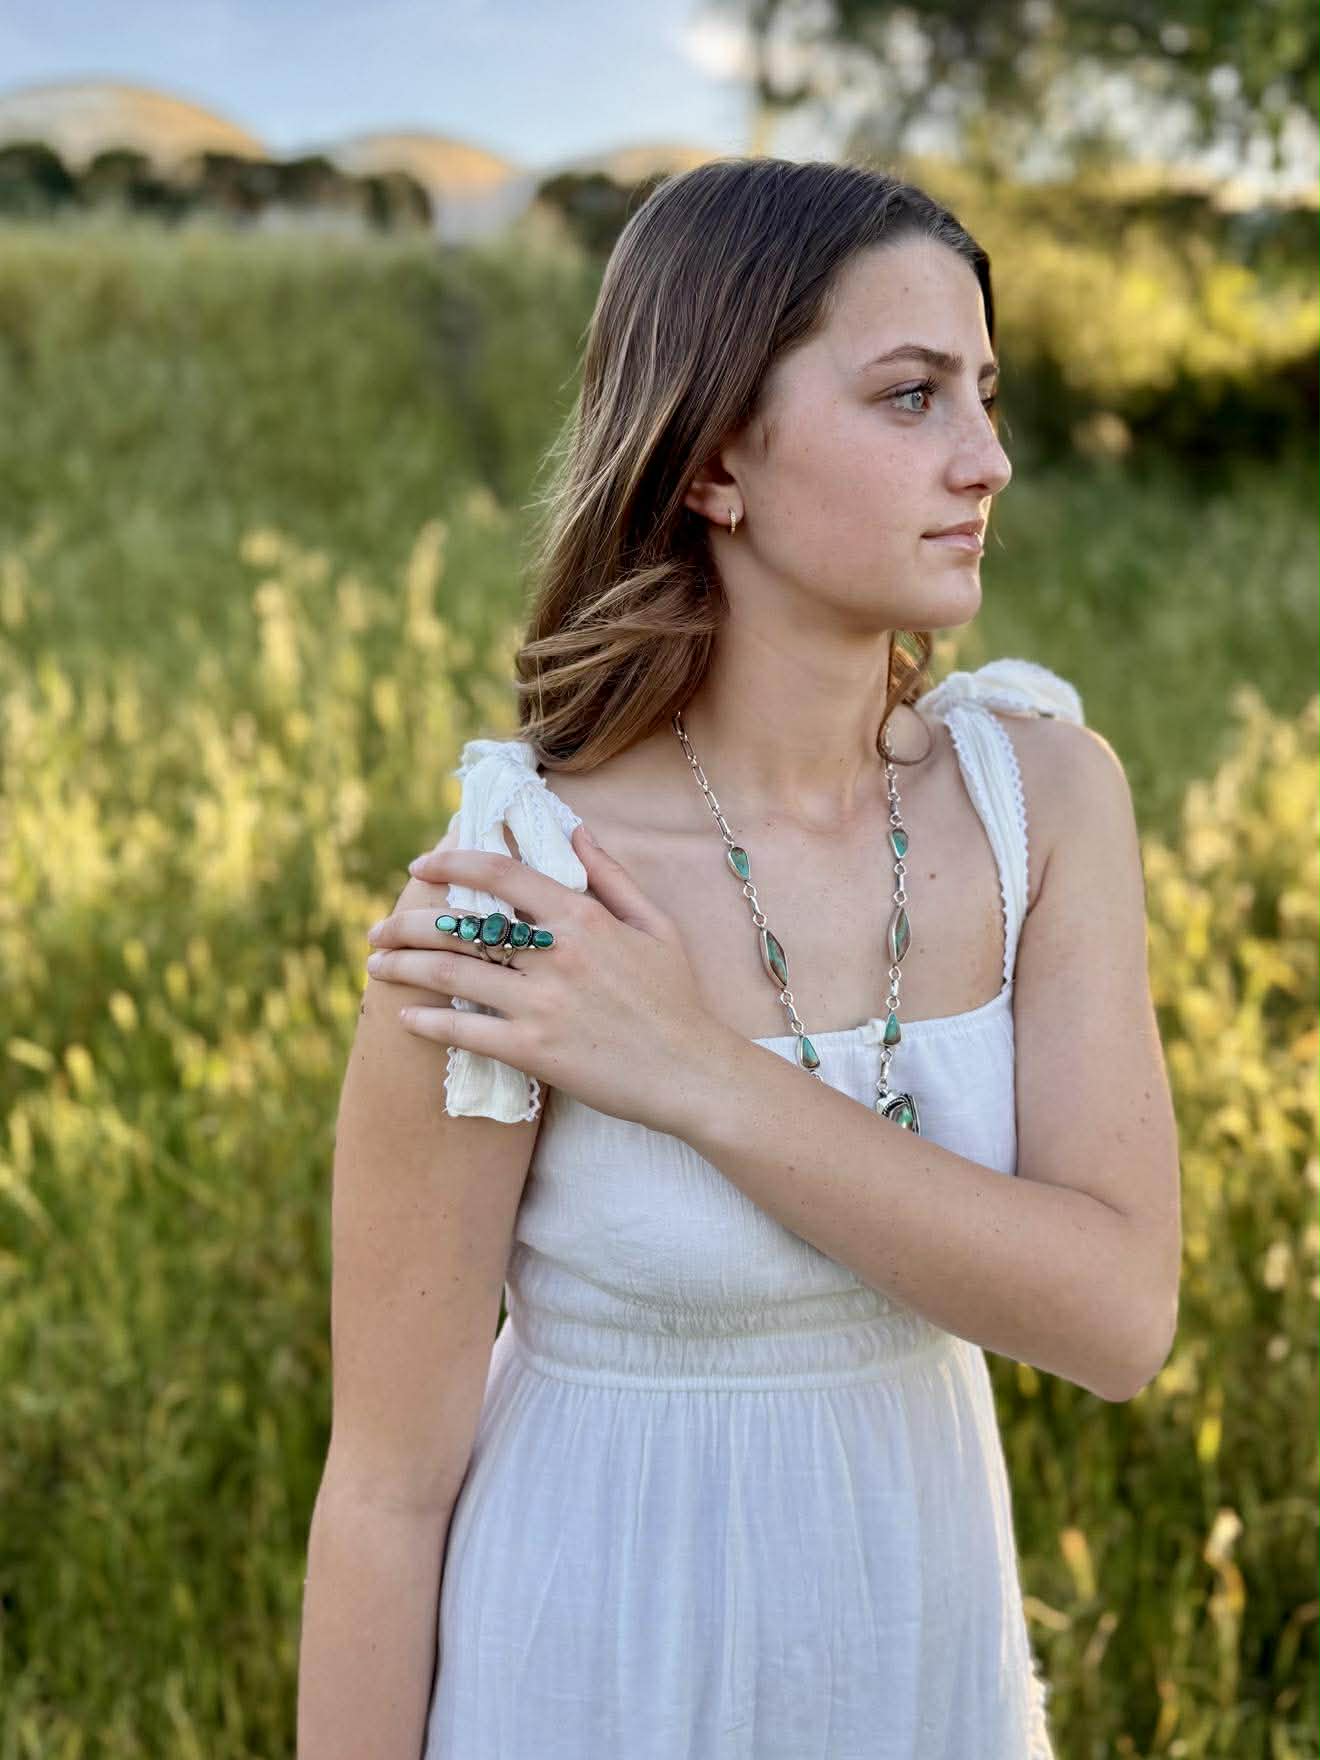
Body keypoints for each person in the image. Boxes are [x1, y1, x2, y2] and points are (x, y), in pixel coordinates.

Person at [297, 157, 1182, 1759]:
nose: (987, 458)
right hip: (588, 1679)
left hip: (921, 1670)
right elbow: (384, 1490)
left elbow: (1118, 1317)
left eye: (984, 394)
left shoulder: (1043, 798)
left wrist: (698, 1074)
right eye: (911, 395)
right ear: (714, 460)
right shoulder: (527, 887)